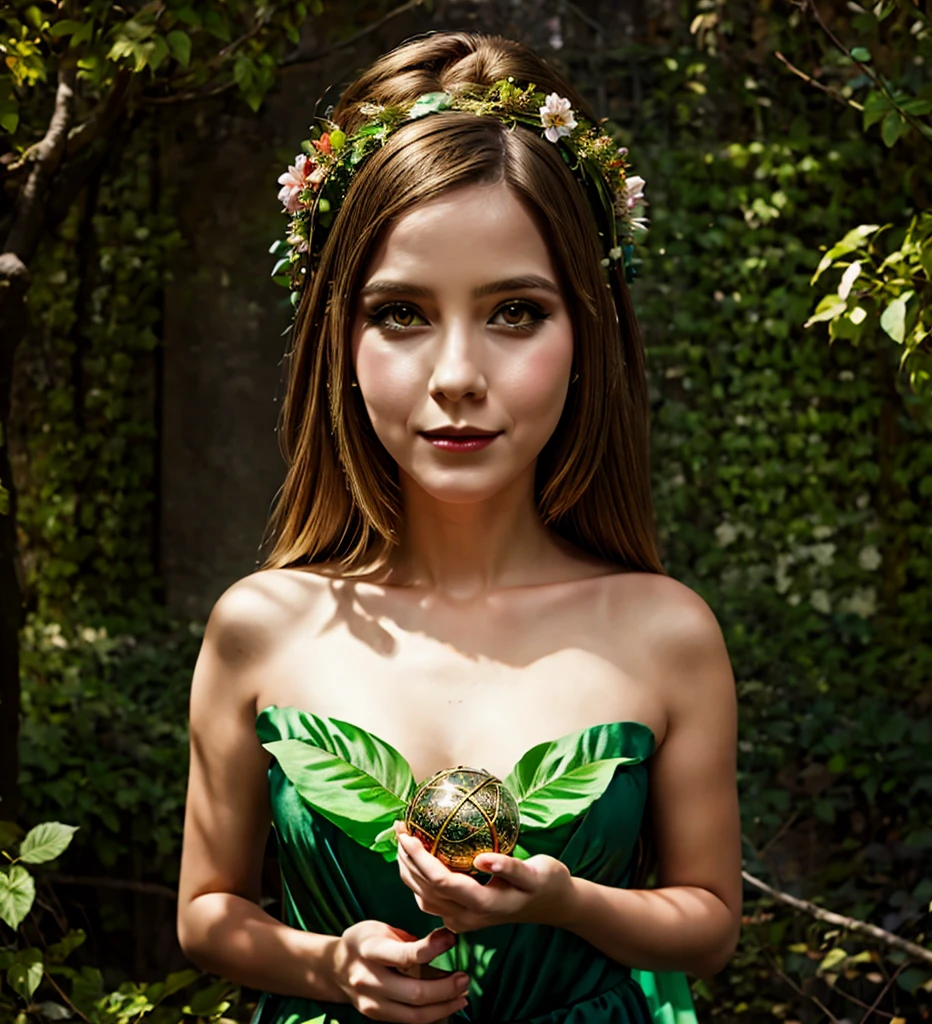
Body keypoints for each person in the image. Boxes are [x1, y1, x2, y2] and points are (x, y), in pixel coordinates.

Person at [176, 29, 742, 1024]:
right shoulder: (260, 625)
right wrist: (327, 964)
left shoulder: (666, 630)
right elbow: (206, 909)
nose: (455, 377)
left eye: (514, 312)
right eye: (400, 313)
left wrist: (570, 900)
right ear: (335, 340)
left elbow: (708, 921)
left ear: (587, 329)